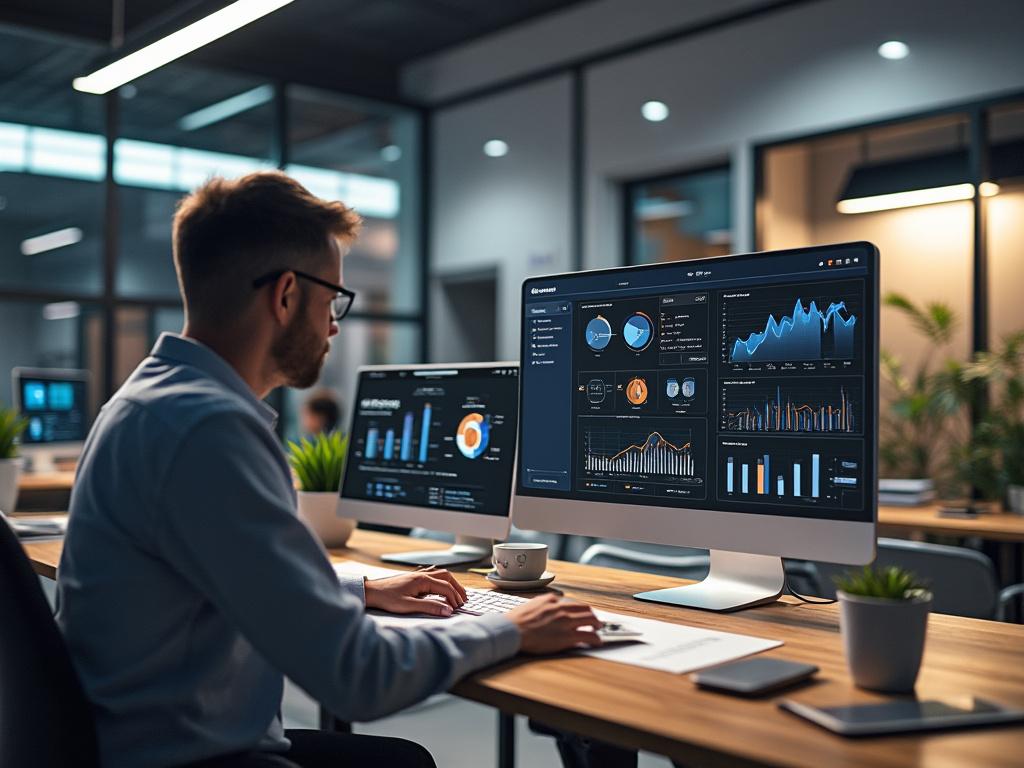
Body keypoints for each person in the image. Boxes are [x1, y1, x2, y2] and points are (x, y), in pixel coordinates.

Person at [55, 171, 602, 768]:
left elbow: (222, 578)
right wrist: (515, 629)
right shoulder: (207, 430)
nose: (335, 324)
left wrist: (360, 589)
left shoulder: (149, 402)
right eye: (332, 300)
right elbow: (357, 677)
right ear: (286, 295)